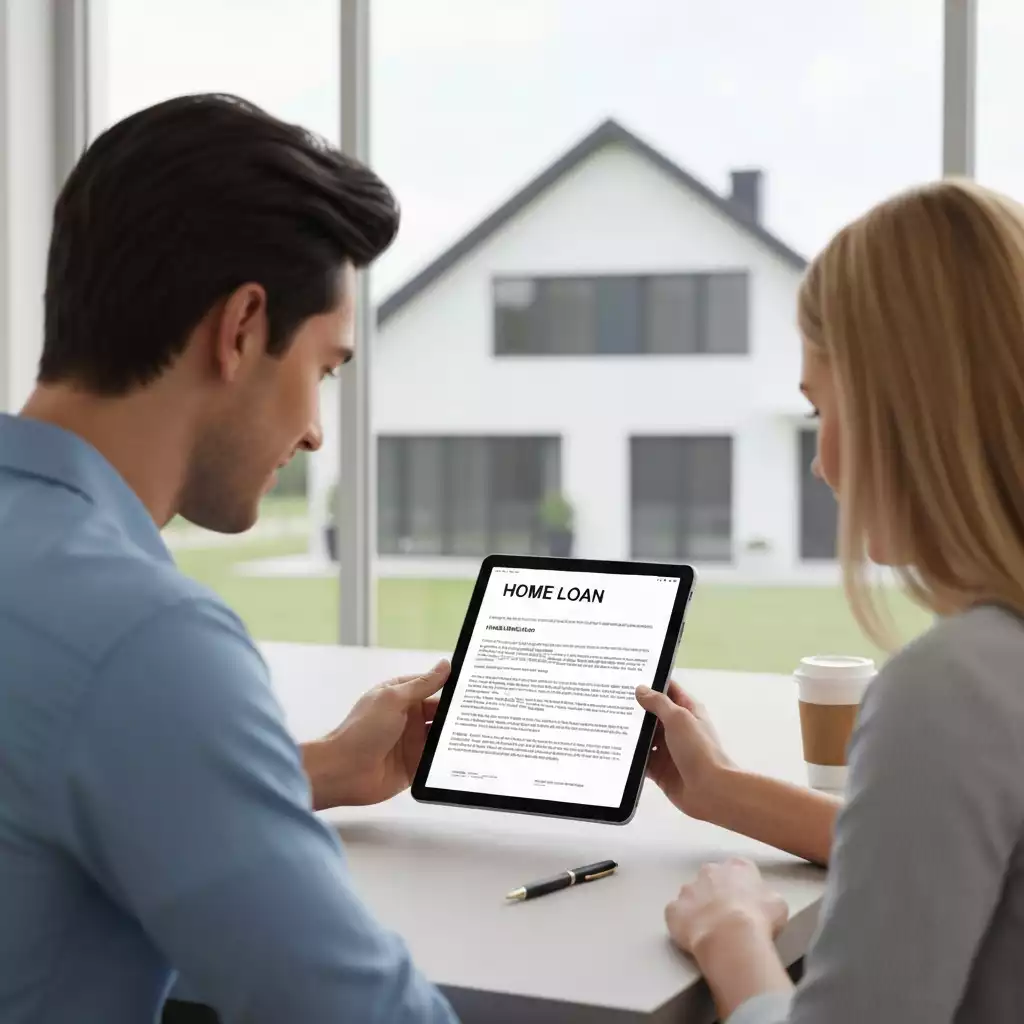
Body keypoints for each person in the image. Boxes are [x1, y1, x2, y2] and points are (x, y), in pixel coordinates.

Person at [0, 94, 458, 1024]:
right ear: (242, 328)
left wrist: (316, 769)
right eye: (323, 372)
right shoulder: (142, 638)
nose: (317, 433)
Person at [635, 178, 1024, 1023]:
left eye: (821, 411)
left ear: (903, 411)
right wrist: (724, 790)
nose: (821, 464)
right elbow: (953, 844)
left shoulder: (955, 686)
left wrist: (731, 934)